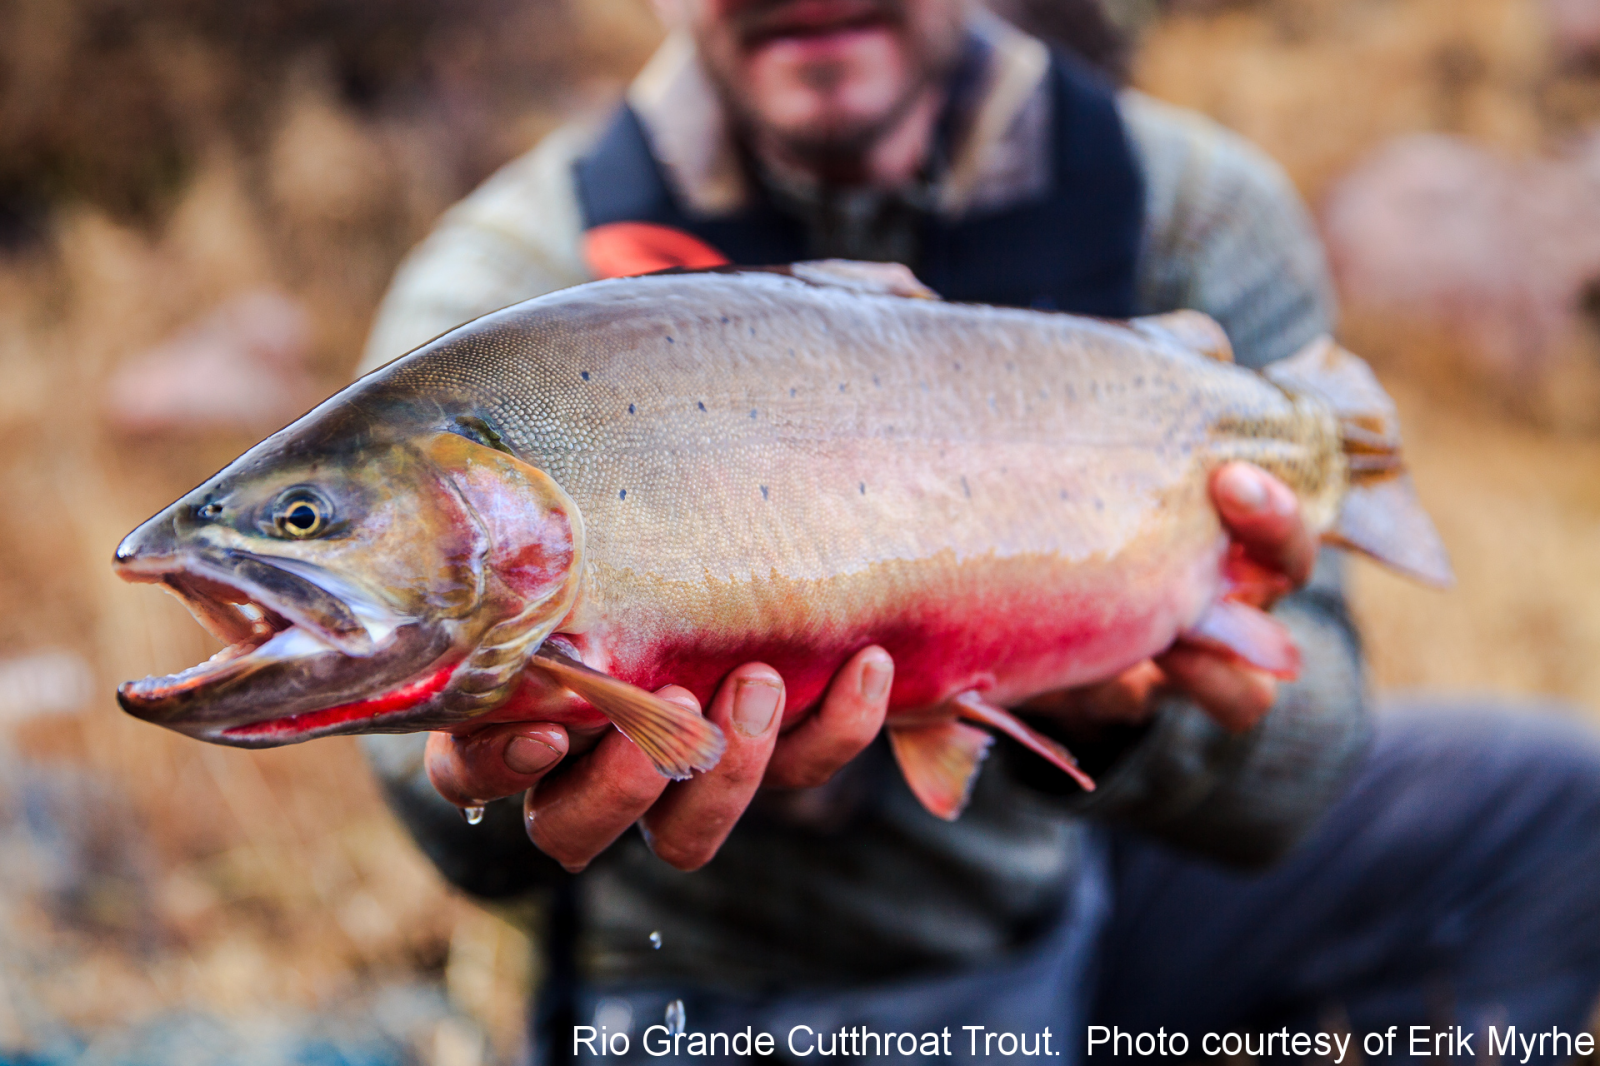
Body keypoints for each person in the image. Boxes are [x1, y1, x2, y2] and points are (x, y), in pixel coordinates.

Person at [356, 1, 1600, 1061]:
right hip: (704, 972)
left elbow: (1309, 758)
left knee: (1559, 805)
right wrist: (495, 766)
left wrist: (1129, 701)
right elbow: (428, 803)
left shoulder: (1189, 211)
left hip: (1078, 883)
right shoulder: (506, 287)